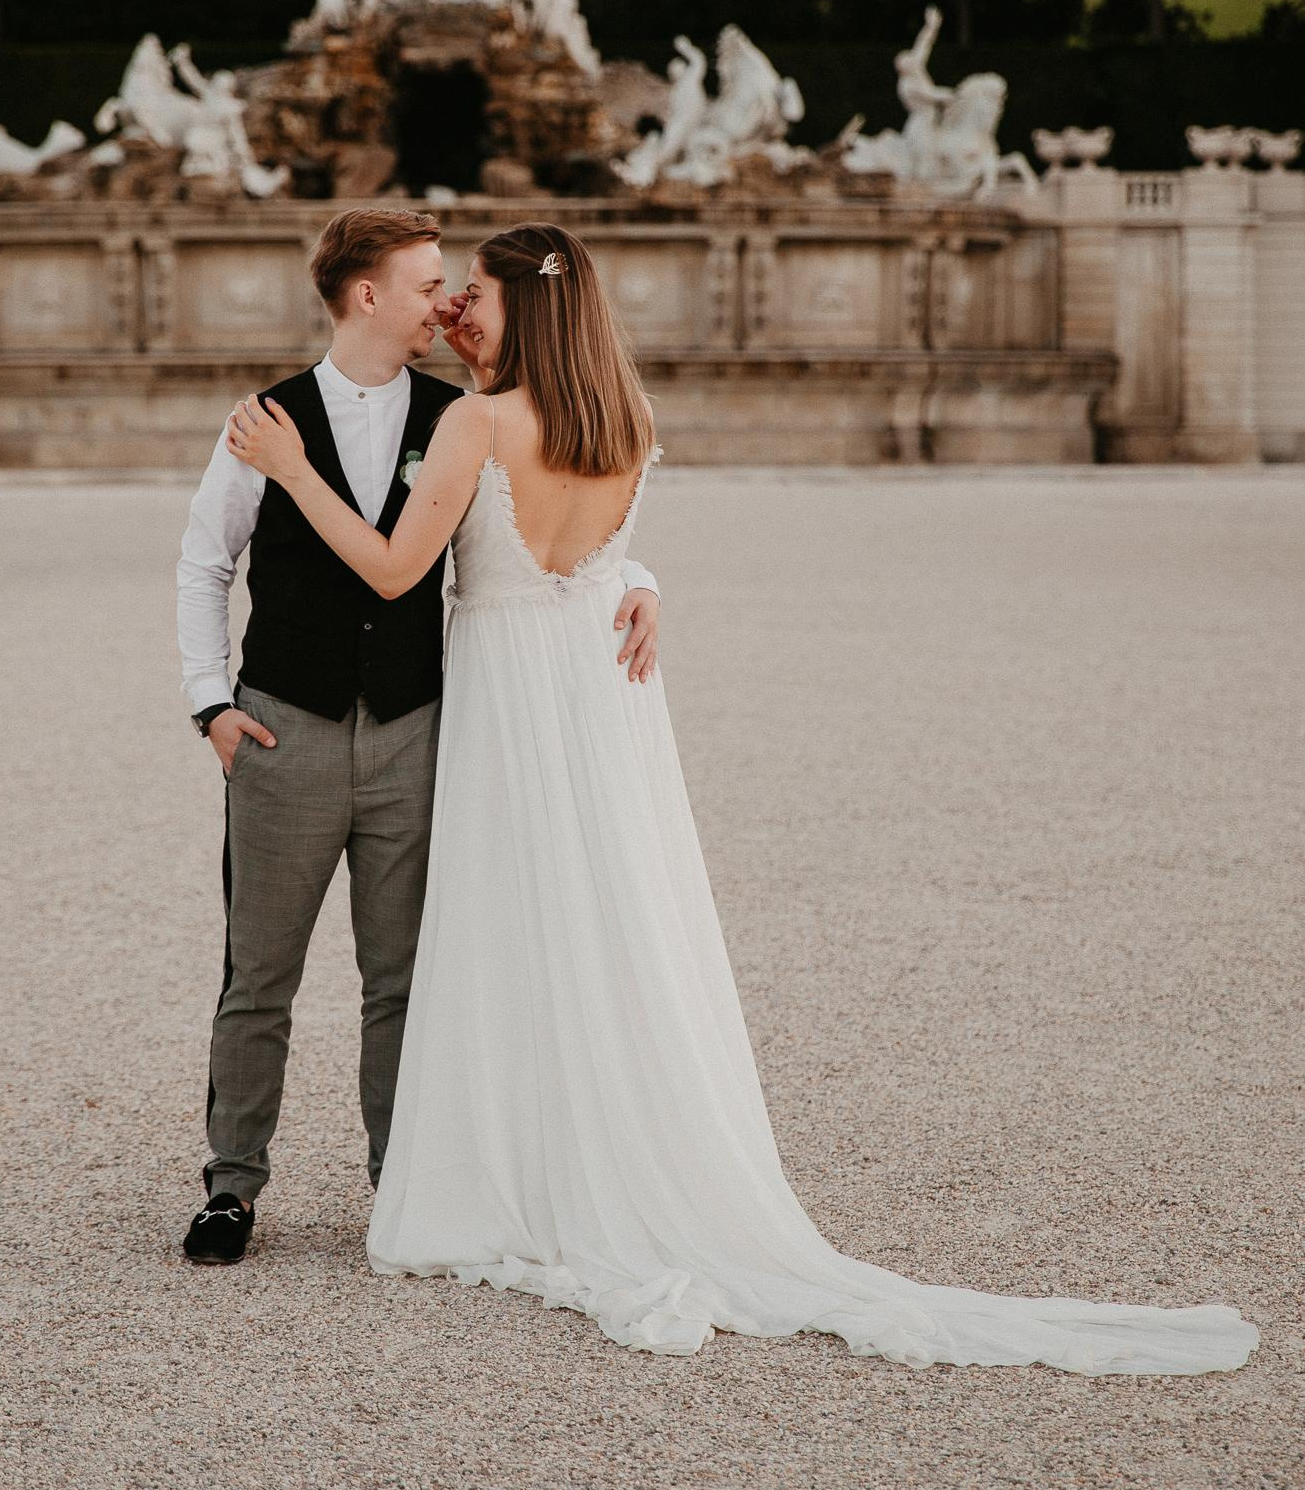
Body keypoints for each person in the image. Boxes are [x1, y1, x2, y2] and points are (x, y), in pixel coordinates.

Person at [223, 220, 1259, 1372]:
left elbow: (391, 569)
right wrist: (639, 576)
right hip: (598, 703)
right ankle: (598, 1152)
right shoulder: (625, 419)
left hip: (510, 701)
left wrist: (293, 469)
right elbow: (589, 554)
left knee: (508, 928)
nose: (459, 306)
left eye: (476, 290)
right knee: (607, 927)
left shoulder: (475, 423)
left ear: (528, 306)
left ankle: (511, 1167)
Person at [175, 207, 661, 1265]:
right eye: (428, 283)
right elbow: (205, 562)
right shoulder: (264, 421)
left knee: (403, 981)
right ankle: (231, 1184)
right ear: (368, 295)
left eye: (455, 285)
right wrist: (211, 703)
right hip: (283, 729)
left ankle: (398, 1182)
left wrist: (639, 577)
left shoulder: (460, 414)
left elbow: (545, 527)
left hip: (417, 734)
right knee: (258, 975)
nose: (445, 302)